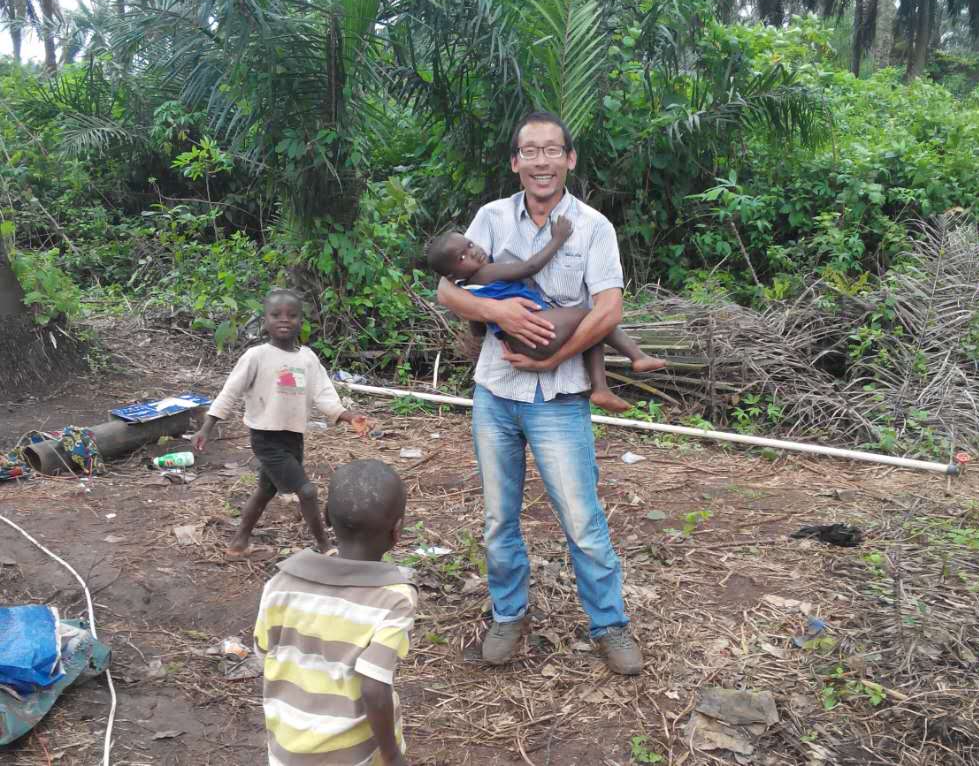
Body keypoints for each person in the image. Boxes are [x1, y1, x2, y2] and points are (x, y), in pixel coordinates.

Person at [436, 110, 644, 676]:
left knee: (581, 519)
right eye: (530, 151)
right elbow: (447, 290)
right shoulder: (490, 217)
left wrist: (553, 357)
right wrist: (498, 312)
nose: (541, 161)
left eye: (553, 150)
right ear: (515, 162)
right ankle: (508, 615)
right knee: (498, 518)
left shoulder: (594, 226)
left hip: (560, 397)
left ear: (569, 159)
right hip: (496, 392)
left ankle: (609, 624)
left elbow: (608, 309)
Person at [254, 459, 416, 766]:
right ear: (397, 531)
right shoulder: (394, 598)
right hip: (354, 755)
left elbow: (264, 653)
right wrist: (392, 755)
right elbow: (374, 688)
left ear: (326, 517)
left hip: (288, 751)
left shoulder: (280, 583)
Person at [192, 288, 370, 558]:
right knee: (307, 491)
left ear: (301, 321)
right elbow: (230, 392)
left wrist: (347, 416)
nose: (284, 320)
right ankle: (326, 547)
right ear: (265, 320)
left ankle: (239, 542)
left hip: (293, 437)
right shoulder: (256, 356)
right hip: (266, 438)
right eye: (276, 315)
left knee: (265, 490)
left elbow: (324, 394)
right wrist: (207, 426)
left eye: (292, 315)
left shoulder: (307, 358)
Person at [426, 217, 665, 415]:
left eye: (469, 244)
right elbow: (529, 268)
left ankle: (600, 390)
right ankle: (636, 357)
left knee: (591, 334)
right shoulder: (488, 272)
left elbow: (478, 330)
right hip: (540, 327)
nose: (473, 252)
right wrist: (557, 239)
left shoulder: (468, 291)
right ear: (451, 275)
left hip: (520, 345)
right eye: (462, 257)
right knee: (594, 320)